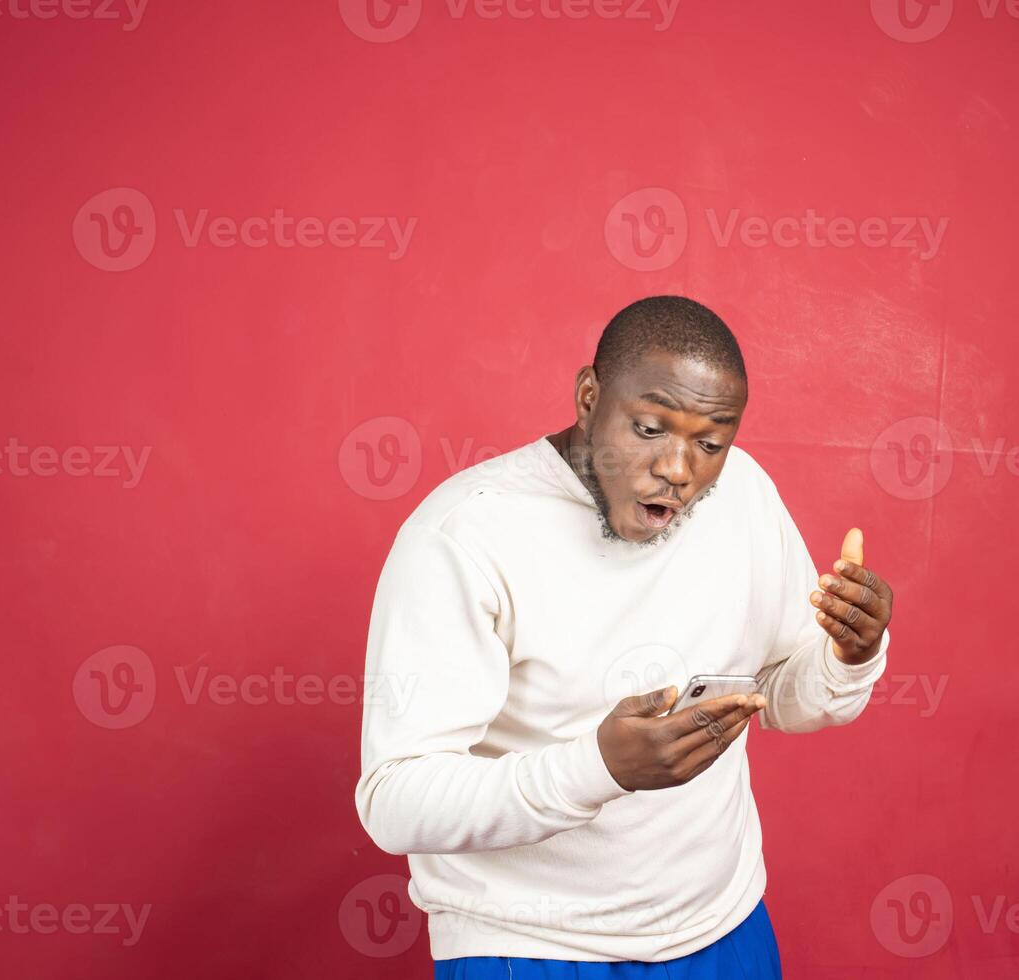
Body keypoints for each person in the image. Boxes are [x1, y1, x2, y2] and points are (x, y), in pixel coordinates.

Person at [355, 295, 896, 978]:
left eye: (710, 443)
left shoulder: (744, 496)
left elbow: (786, 697)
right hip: (529, 949)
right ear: (590, 396)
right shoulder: (465, 535)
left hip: (722, 930)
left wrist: (850, 654)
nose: (678, 468)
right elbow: (395, 803)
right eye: (648, 428)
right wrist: (598, 770)